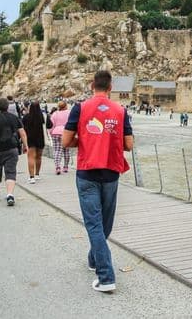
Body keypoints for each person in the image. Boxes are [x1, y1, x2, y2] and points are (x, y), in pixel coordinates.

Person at [63, 70, 134, 293]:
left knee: (95, 224)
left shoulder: (80, 108)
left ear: (92, 85)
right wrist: (108, 138)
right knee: (104, 223)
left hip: (87, 172)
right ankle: (100, 269)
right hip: (111, 172)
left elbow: (65, 141)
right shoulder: (121, 111)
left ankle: (100, 268)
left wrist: (85, 139)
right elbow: (129, 144)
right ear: (111, 87)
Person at [0, 97, 27, 206]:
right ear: (8, 106)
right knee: (10, 171)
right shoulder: (14, 118)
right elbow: (22, 133)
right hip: (12, 148)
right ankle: (10, 194)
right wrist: (26, 145)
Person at [22, 101, 45, 184]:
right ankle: (37, 174)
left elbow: (22, 128)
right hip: (40, 138)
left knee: (31, 157)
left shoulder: (26, 117)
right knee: (39, 157)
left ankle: (32, 177)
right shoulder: (41, 116)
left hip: (30, 138)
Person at [49, 101, 72, 174]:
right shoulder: (69, 113)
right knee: (66, 150)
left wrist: (51, 132)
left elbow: (51, 125)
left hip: (56, 132)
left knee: (57, 150)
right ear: (66, 106)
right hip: (66, 132)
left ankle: (57, 167)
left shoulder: (55, 114)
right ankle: (65, 167)